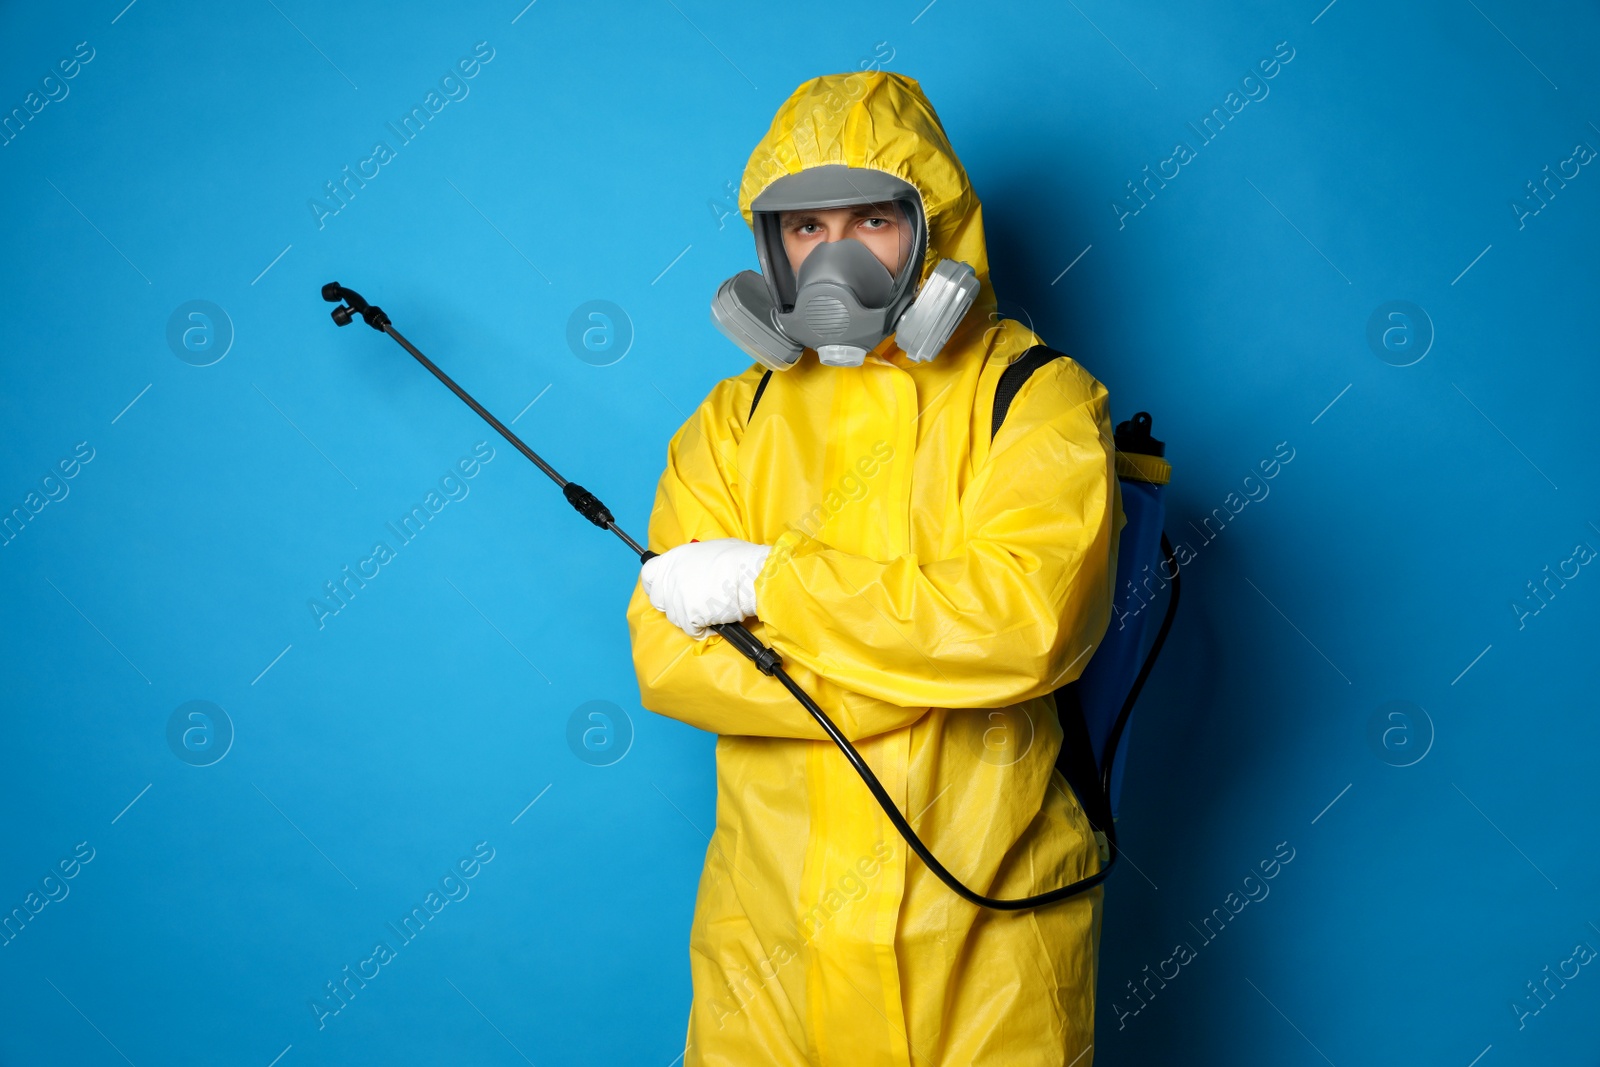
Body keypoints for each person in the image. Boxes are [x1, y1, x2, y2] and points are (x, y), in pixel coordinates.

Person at [627, 70, 1124, 1067]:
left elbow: (1024, 626)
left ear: (932, 227)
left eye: (870, 220)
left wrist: (773, 586)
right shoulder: (732, 426)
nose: (836, 256)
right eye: (805, 229)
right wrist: (920, 671)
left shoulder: (1034, 401)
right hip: (770, 939)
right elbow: (670, 664)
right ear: (769, 249)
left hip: (983, 928)